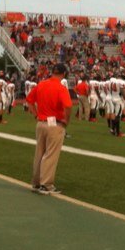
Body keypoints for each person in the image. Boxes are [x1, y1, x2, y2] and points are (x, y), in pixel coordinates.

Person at [26, 63, 72, 195]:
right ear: (63, 74)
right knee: (51, 154)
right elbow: (68, 106)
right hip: (54, 123)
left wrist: (35, 114)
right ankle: (46, 184)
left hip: (41, 122)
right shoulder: (61, 87)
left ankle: (36, 182)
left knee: (39, 153)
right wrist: (66, 121)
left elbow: (29, 100)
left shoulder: (41, 84)